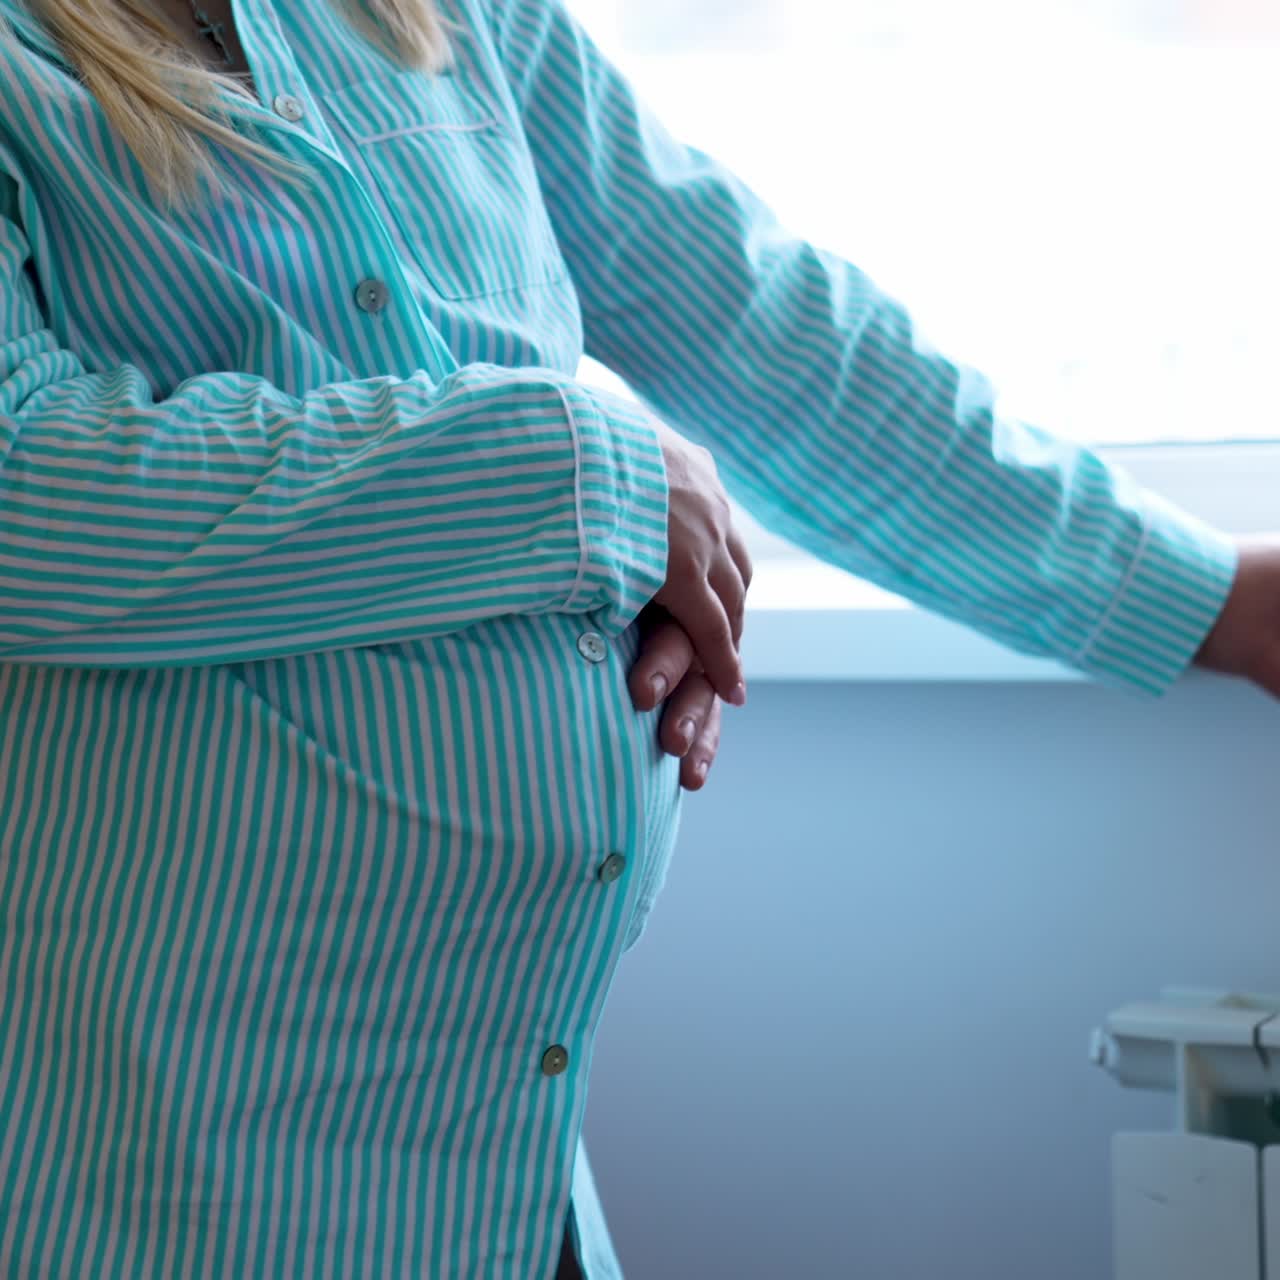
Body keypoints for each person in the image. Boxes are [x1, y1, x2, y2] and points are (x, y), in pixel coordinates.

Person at [0, 0, 1274, 1275]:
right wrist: (581, 475)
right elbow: (23, 490)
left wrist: (1215, 598)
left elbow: (761, 328)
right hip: (161, 1165)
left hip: (505, 1138)